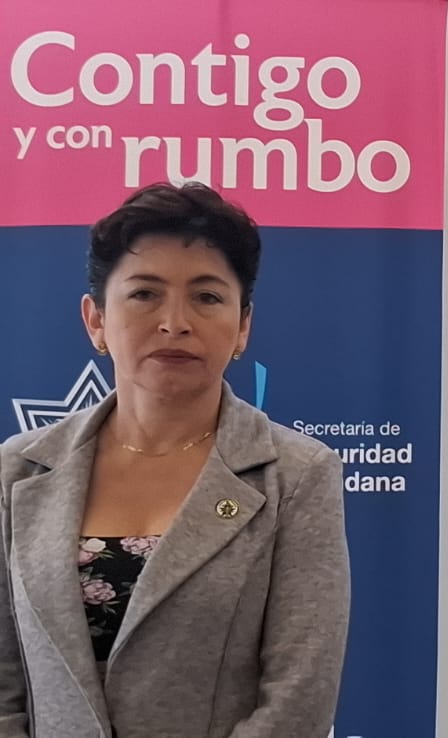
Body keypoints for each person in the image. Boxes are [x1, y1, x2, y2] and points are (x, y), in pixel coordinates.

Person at [0, 182, 351, 737]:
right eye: (145, 293)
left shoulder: (297, 475)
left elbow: (298, 697)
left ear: (243, 325)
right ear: (96, 319)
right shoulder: (17, 470)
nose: (174, 322)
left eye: (207, 297)